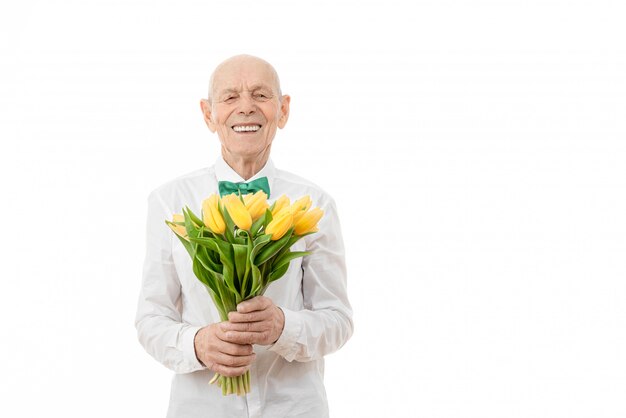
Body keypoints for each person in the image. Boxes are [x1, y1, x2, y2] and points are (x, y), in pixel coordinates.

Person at [135, 54, 354, 418]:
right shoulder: (169, 202)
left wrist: (284, 326)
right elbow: (151, 318)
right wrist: (197, 343)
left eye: (261, 95)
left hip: (294, 409)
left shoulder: (314, 204)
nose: (246, 107)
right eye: (230, 96)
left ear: (283, 111)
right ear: (209, 114)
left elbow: (338, 320)